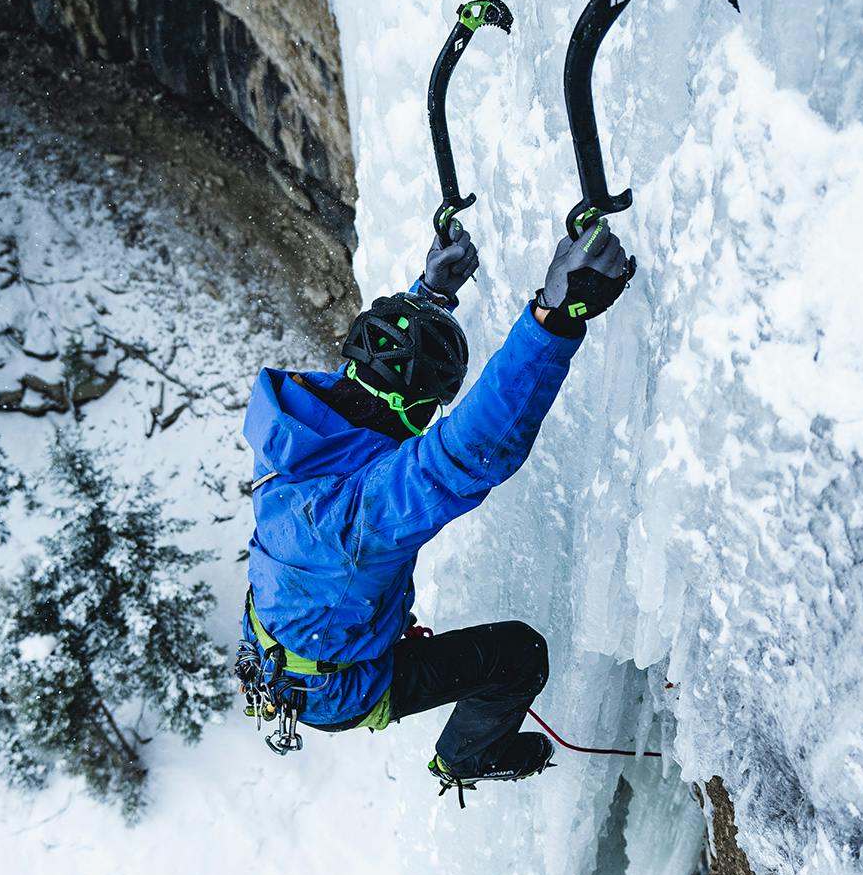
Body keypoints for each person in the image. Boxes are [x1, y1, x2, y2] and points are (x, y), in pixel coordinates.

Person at [238, 210, 637, 801]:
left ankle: (375, 649)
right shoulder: (353, 519)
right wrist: (553, 319)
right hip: (338, 690)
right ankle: (466, 758)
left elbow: (381, 379)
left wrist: (430, 294)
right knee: (519, 656)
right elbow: (470, 449)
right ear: (413, 412)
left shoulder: (297, 434)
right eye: (427, 413)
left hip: (286, 648)